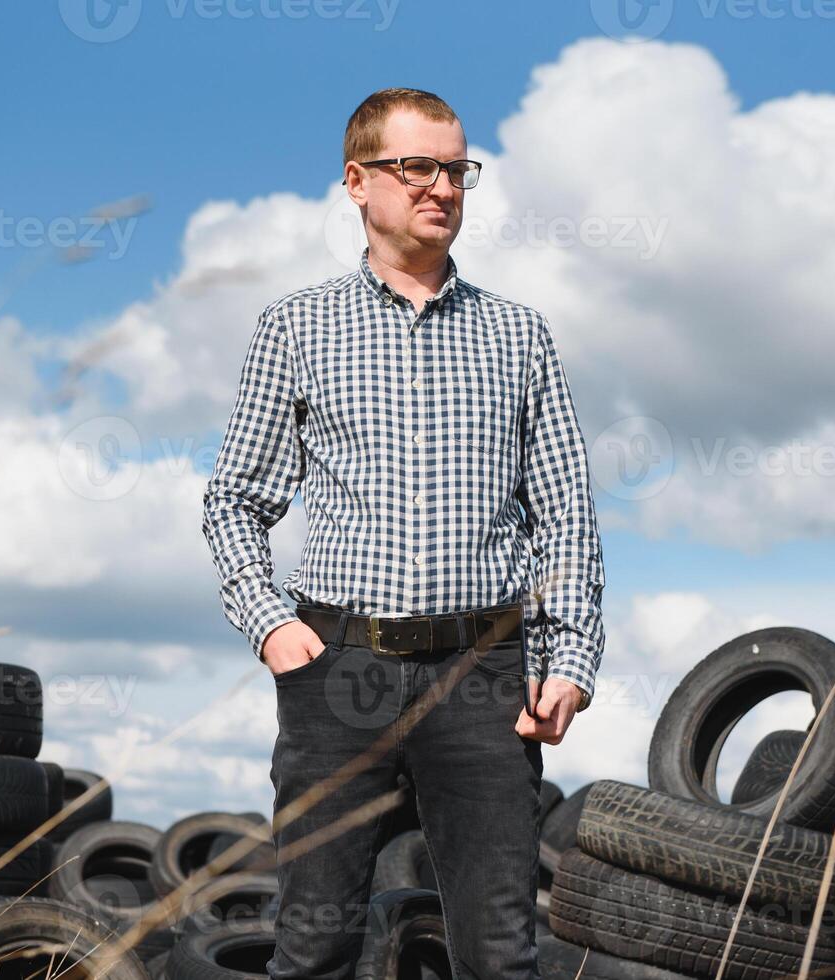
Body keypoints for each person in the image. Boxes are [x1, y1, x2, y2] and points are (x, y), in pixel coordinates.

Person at [201, 86, 605, 980]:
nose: (441, 187)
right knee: (314, 947)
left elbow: (567, 513)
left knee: (501, 954)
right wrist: (272, 625)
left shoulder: (520, 335)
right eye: (415, 166)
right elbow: (234, 499)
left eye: (456, 169)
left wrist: (570, 658)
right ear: (357, 180)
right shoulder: (297, 327)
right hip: (337, 671)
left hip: (486, 680)